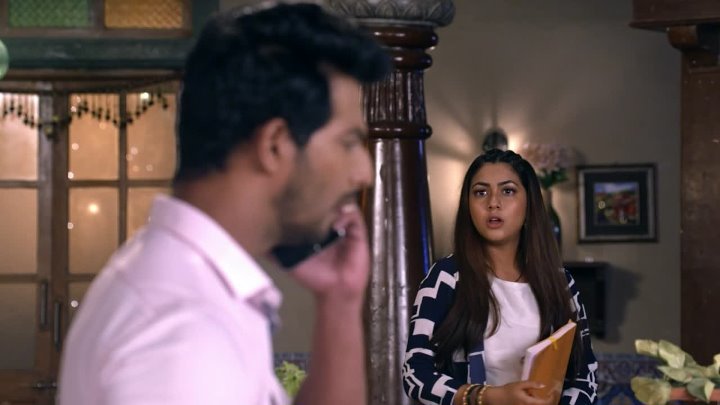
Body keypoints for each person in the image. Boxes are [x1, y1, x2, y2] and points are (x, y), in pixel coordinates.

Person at [57, 3, 391, 405]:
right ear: (275, 145)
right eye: (349, 143)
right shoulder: (182, 334)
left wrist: (339, 300)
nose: (362, 173)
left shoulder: (187, 289)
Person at [402, 149, 598, 405]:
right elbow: (415, 374)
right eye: (480, 192)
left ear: (529, 204)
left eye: (508, 191)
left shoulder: (561, 283)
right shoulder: (446, 277)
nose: (493, 203)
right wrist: (490, 397)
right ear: (468, 206)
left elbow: (586, 377)